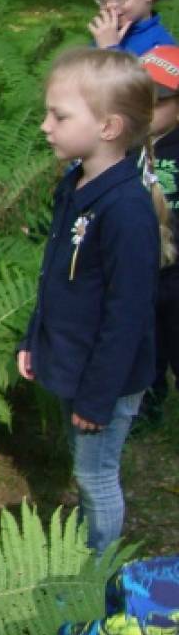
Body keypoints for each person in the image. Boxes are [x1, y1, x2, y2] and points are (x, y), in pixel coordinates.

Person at [18, 47, 162, 554]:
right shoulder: (74, 184)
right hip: (73, 363)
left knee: (95, 474)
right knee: (84, 465)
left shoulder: (126, 211)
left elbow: (127, 317)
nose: (45, 126)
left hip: (106, 380)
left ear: (108, 127)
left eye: (59, 115)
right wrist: (33, 336)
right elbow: (54, 275)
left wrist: (98, 398)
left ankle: (97, 573)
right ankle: (87, 551)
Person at [137, 45, 179, 426]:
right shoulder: (126, 145)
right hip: (141, 270)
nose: (147, 109)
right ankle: (147, 406)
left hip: (176, 273)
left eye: (159, 101)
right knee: (146, 345)